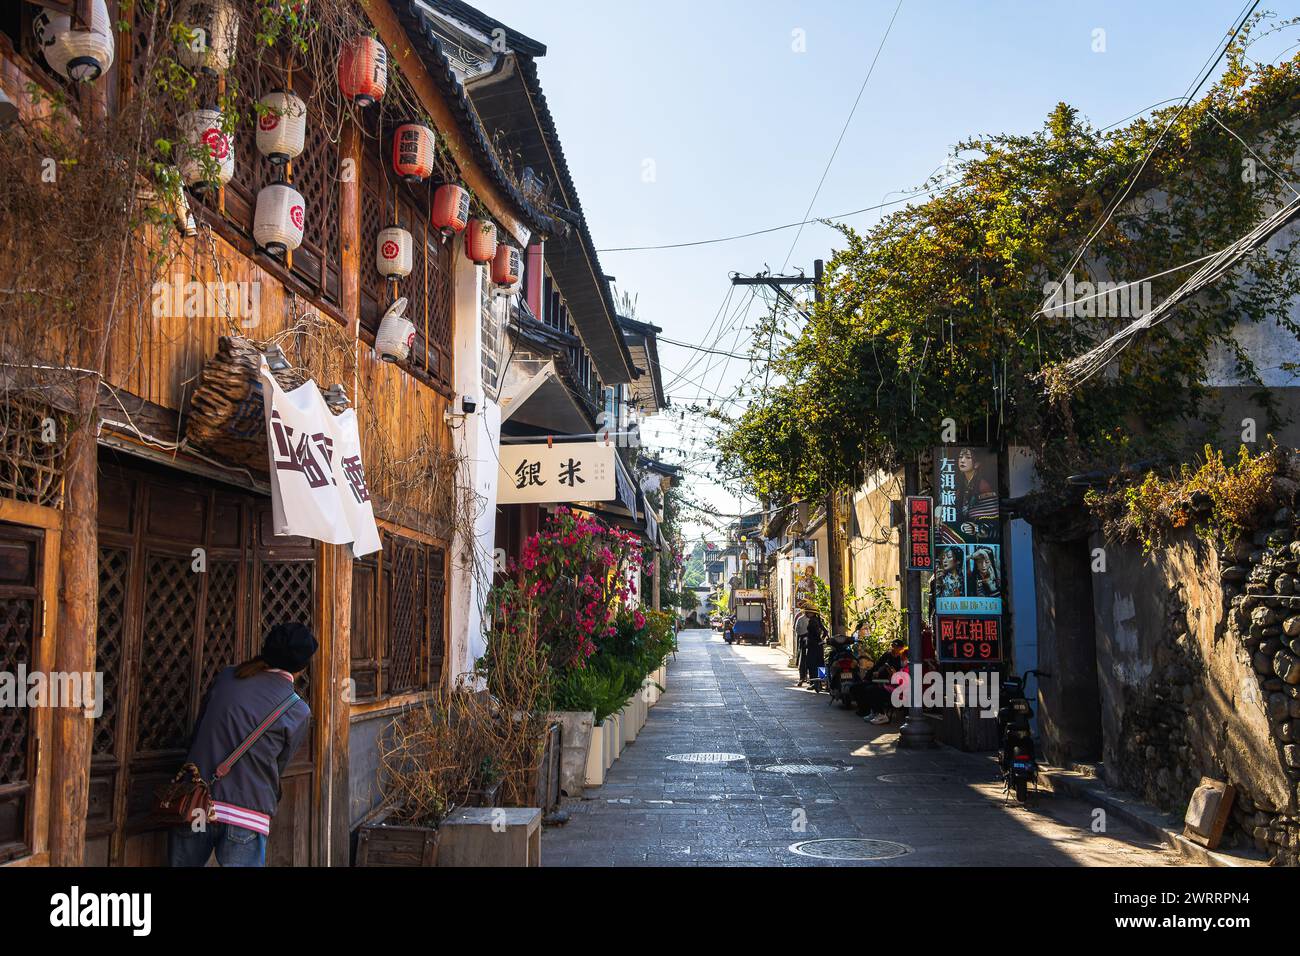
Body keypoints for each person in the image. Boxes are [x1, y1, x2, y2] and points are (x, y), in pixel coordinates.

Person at [168, 622, 317, 867]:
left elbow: (199, 730)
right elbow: (278, 766)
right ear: (302, 666)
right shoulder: (297, 710)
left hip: (197, 803)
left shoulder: (227, 677)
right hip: (246, 816)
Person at [854, 638, 907, 723]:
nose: (893, 648)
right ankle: (871, 711)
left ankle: (880, 714)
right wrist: (869, 677)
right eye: (892, 646)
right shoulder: (887, 655)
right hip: (885, 683)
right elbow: (876, 666)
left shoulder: (905, 665)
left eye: (896, 647)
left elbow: (901, 680)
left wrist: (893, 675)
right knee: (859, 687)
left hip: (895, 689)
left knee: (871, 690)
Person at [800, 611, 826, 686]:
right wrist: (821, 640)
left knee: (811, 664)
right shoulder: (818, 620)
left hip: (812, 646)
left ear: (812, 613)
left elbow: (814, 633)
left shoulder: (812, 621)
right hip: (819, 645)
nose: (806, 614)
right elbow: (825, 632)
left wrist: (809, 638)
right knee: (820, 663)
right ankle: (822, 680)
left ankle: (813, 682)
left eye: (808, 613)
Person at [794, 609, 810, 684]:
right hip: (806, 640)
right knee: (803, 658)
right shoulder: (801, 619)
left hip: (804, 639)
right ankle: (804, 677)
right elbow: (797, 629)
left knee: (803, 658)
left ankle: (803, 677)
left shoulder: (800, 619)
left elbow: (797, 630)